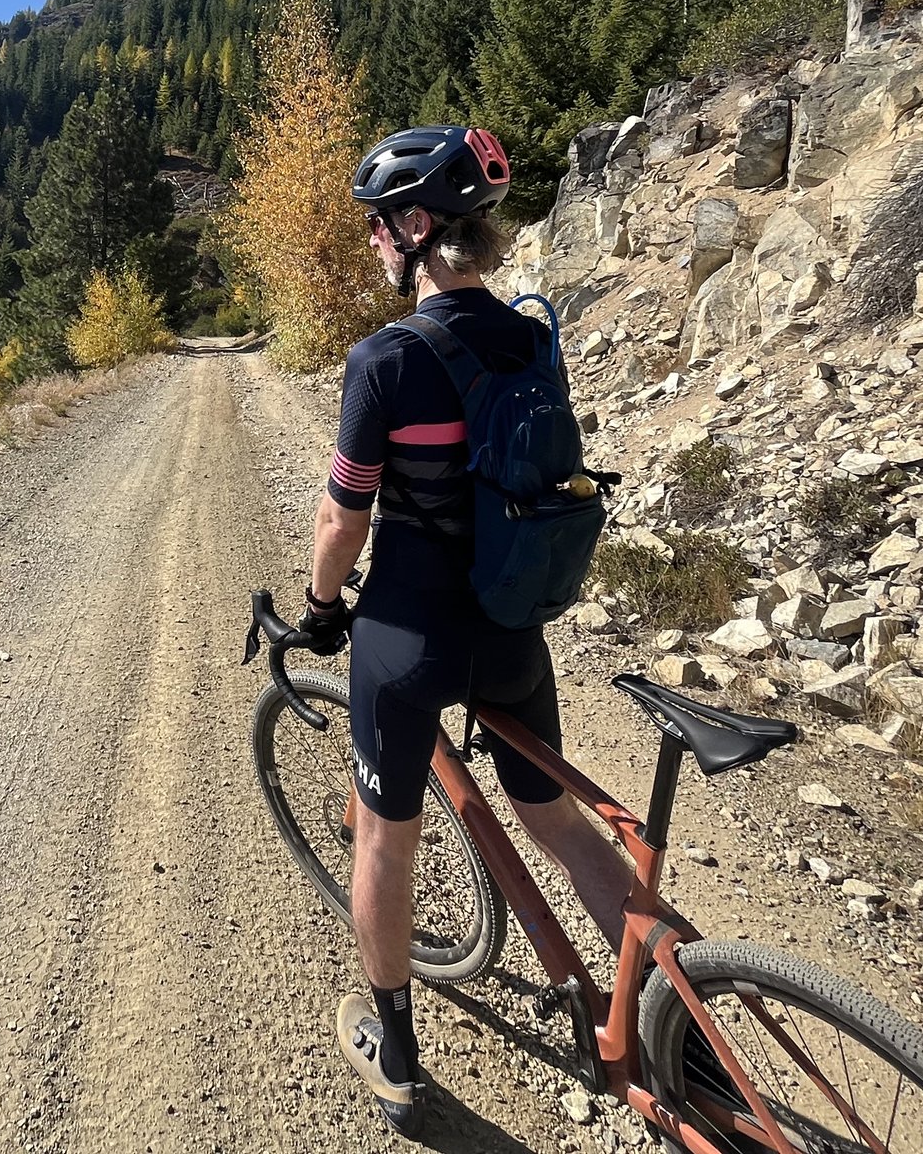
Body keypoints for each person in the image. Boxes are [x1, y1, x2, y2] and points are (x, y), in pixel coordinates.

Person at [296, 124, 633, 1132]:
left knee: (388, 848)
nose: (369, 244)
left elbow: (342, 514)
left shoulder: (384, 361)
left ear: (412, 228)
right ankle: (670, 1017)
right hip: (511, 624)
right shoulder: (533, 337)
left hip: (409, 638)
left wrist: (320, 611)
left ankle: (396, 1056)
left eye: (374, 228)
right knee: (561, 824)